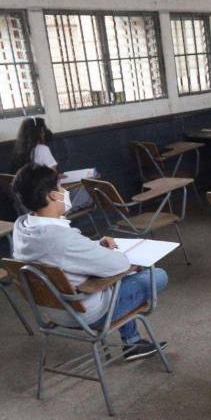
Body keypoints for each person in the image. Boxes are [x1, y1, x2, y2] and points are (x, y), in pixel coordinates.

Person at [11, 163, 168, 361]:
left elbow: (60, 253)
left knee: (116, 279)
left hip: (51, 310)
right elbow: (118, 265)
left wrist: (94, 247)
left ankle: (132, 341)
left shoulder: (22, 226)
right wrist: (110, 257)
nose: (64, 191)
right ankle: (132, 342)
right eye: (61, 188)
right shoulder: (61, 238)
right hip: (85, 314)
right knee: (156, 275)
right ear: (52, 195)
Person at [11, 116, 94, 213]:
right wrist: (56, 176)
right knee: (87, 186)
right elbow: (52, 179)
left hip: (29, 204)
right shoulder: (42, 150)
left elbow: (35, 176)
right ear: (40, 132)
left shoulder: (20, 153)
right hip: (49, 201)